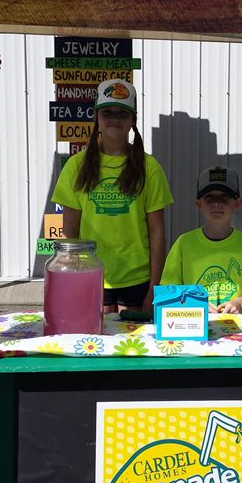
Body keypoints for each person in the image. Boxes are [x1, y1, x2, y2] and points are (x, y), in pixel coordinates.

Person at [52, 79, 173, 313]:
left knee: (134, 345)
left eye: (123, 113)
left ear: (132, 120)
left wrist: (154, 287)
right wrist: (72, 282)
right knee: (95, 344)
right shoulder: (76, 166)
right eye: (107, 112)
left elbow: (157, 233)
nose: (114, 118)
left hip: (139, 279)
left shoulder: (150, 167)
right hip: (91, 275)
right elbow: (69, 233)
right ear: (97, 116)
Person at [161, 165, 242, 313]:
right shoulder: (183, 243)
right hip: (192, 325)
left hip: (235, 329)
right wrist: (195, 303)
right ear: (198, 203)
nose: (216, 203)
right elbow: (168, 289)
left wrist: (239, 303)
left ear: (237, 202)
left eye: (224, 197)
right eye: (209, 197)